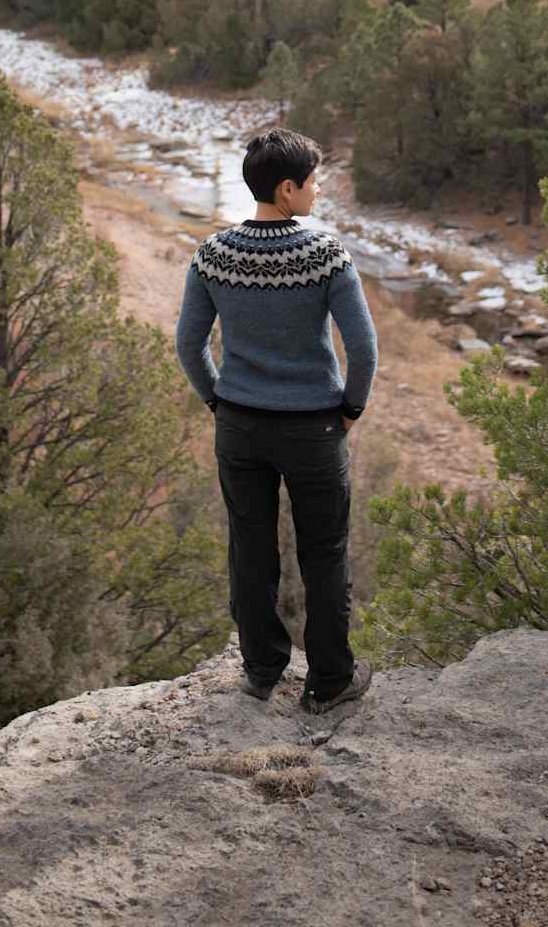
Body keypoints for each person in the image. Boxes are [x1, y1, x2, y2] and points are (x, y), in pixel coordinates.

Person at [175, 127, 379, 714]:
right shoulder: (325, 254)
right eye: (313, 182)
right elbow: (362, 351)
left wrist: (219, 402)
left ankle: (262, 670)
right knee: (324, 553)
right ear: (287, 189)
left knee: (250, 548)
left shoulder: (212, 254)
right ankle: (329, 681)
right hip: (313, 428)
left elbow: (190, 345)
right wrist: (350, 409)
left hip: (238, 426)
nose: (319, 192)